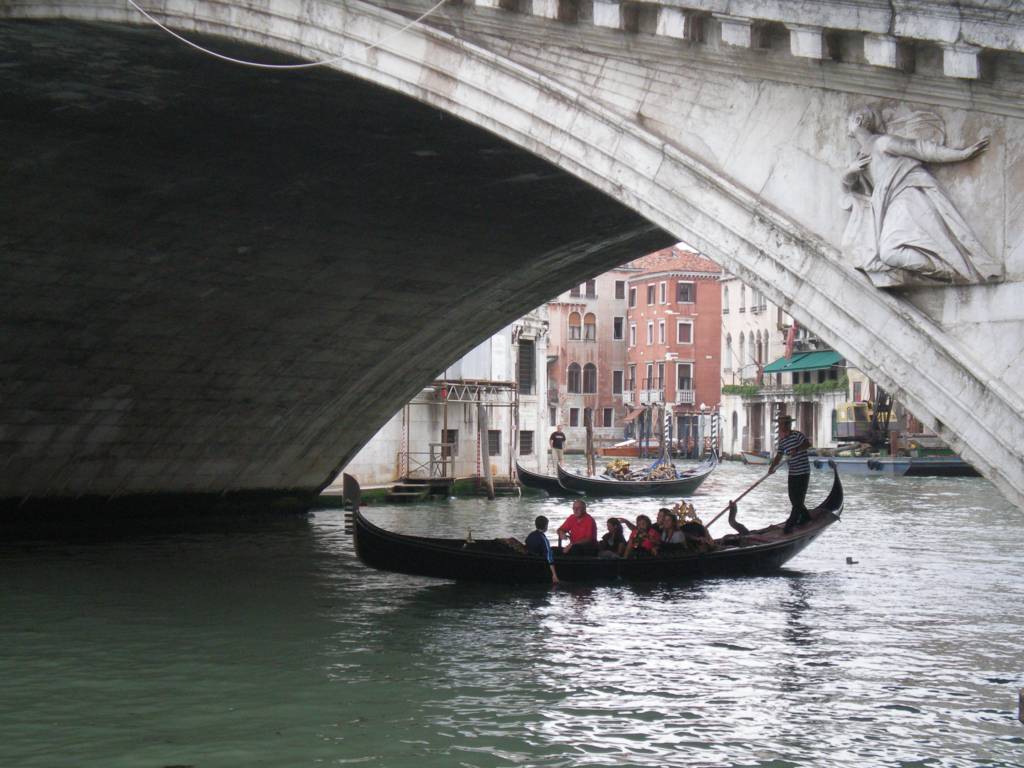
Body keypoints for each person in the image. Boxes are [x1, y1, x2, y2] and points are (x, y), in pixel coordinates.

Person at [769, 414, 812, 533]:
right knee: (793, 499)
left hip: (803, 472)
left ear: (787, 424)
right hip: (793, 472)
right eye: (779, 423)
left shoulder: (797, 435)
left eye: (782, 423)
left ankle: (789, 526)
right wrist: (772, 467)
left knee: (798, 501)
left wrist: (797, 449)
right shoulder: (782, 441)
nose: (780, 425)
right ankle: (806, 517)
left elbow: (808, 444)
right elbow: (779, 455)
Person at [525, 515, 558, 585]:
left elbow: (526, 543)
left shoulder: (531, 535)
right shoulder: (543, 539)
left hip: (531, 558)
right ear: (546, 526)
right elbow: (549, 557)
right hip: (540, 561)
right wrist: (554, 574)